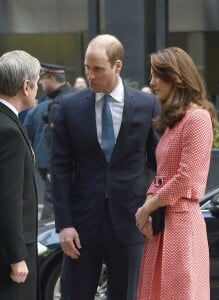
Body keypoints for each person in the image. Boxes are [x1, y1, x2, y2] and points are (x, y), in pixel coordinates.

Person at [51, 34, 160, 300]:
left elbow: (159, 162)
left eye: (97, 68)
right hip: (81, 223)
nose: (90, 75)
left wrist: (153, 209)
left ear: (117, 66)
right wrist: (64, 224)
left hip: (131, 219)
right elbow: (60, 168)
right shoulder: (69, 106)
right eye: (87, 68)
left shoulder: (148, 105)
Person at [135, 47, 215, 300]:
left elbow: (185, 178)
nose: (152, 82)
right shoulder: (175, 121)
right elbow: (162, 174)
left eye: (158, 74)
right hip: (163, 221)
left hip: (181, 222)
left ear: (176, 76)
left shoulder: (198, 118)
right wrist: (149, 205)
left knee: (180, 293)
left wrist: (147, 208)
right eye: (151, 74)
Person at [0, 50, 40, 299]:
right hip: (8, 253)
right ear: (26, 86)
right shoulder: (9, 131)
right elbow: (8, 199)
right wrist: (17, 256)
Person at [24, 63, 76, 220]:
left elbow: (56, 141)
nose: (40, 83)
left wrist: (54, 168)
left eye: (43, 79)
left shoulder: (59, 103)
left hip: (59, 164)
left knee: (53, 198)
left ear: (52, 79)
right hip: (69, 164)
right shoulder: (73, 97)